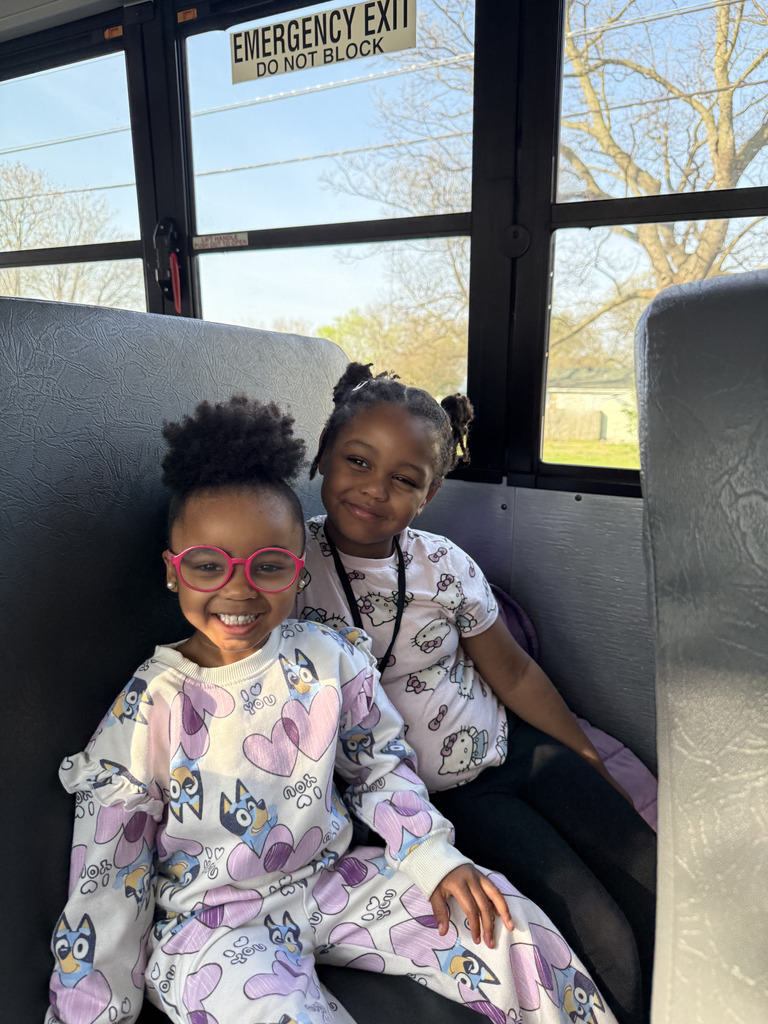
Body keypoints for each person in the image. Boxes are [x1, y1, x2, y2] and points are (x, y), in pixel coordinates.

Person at [45, 395, 618, 1024]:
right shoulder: (146, 709)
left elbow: (378, 768)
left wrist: (432, 858)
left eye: (268, 566)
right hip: (214, 925)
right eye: (209, 566)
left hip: (335, 880)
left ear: (299, 573)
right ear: (173, 573)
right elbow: (106, 879)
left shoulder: (331, 656)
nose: (238, 588)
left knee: (504, 922)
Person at [294, 363, 657, 1024]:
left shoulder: (444, 565)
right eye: (357, 460)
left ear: (428, 494)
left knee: (652, 877)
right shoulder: (285, 568)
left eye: (405, 479)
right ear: (323, 454)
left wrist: (582, 750)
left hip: (518, 749)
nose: (375, 490)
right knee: (604, 938)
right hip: (448, 795)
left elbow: (512, 672)